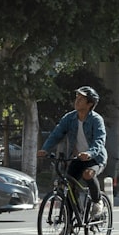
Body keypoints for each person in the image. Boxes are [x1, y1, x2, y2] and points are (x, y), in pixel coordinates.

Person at [38, 86, 108, 217]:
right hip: (76, 158)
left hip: (95, 158)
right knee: (68, 186)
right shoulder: (69, 118)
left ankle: (97, 201)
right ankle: (70, 222)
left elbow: (99, 140)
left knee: (88, 174)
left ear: (90, 104)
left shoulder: (96, 120)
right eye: (77, 98)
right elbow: (56, 134)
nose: (77, 101)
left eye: (81, 99)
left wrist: (90, 153)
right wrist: (45, 149)